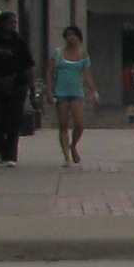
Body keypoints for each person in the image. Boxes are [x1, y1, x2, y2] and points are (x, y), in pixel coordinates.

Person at [0, 14, 31, 166]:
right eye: (10, 22)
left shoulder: (20, 43)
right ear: (2, 24)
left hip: (17, 82)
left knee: (14, 119)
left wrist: (32, 87)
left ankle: (10, 155)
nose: (14, 25)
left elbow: (29, 66)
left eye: (15, 22)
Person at [51, 25, 93, 166]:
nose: (71, 38)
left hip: (76, 92)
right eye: (68, 35)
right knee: (63, 124)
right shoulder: (57, 54)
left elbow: (87, 75)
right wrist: (49, 91)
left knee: (79, 124)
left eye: (74, 35)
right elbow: (49, 73)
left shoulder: (84, 55)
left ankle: (73, 145)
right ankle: (66, 157)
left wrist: (93, 92)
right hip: (61, 92)